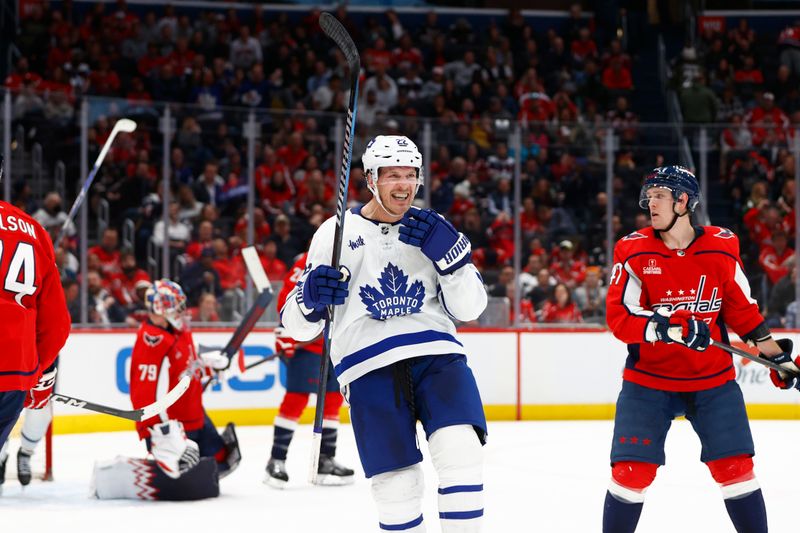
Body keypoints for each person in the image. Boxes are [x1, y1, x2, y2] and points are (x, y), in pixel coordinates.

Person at [282, 136, 487, 532]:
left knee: (461, 453)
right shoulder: (335, 233)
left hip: (437, 356)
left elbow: (471, 309)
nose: (404, 184)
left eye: (410, 175)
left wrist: (455, 263)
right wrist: (309, 299)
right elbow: (296, 325)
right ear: (371, 179)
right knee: (396, 489)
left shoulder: (434, 227)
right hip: (367, 366)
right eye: (393, 175)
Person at [604, 165, 795, 533]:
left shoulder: (722, 246)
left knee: (736, 469)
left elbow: (742, 309)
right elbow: (620, 318)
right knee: (631, 474)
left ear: (683, 201)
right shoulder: (633, 251)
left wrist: (776, 356)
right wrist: (670, 329)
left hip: (712, 381)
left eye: (659, 195)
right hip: (649, 382)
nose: (650, 204)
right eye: (649, 197)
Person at [91, 280, 240, 501]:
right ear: (162, 308)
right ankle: (119, 477)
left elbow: (186, 365)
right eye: (177, 306)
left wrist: (208, 365)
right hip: (174, 426)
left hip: (195, 414)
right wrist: (157, 432)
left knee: (224, 459)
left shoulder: (179, 330)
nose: (182, 311)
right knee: (185, 481)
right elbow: (143, 394)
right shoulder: (153, 341)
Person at [0, 155, 71, 483]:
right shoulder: (33, 230)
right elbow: (58, 324)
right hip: (14, 374)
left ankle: (24, 455)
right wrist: (35, 370)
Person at [265, 252, 355, 488]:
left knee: (334, 399)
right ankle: (276, 460)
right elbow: (288, 294)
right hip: (309, 344)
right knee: (296, 399)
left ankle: (325, 459)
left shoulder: (353, 254)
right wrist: (284, 329)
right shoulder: (309, 257)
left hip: (337, 345)